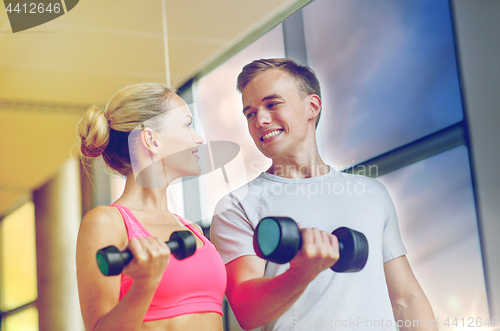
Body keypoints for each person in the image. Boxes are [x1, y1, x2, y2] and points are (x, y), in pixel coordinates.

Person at [210, 59, 437, 331]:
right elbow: (247, 313)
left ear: (312, 106)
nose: (260, 120)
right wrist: (301, 273)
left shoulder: (369, 193)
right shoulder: (237, 206)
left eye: (272, 104)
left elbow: (406, 299)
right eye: (250, 113)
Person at [76, 82, 226, 331]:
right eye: (187, 125)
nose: (199, 139)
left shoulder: (190, 229)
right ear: (151, 139)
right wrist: (145, 284)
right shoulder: (106, 222)